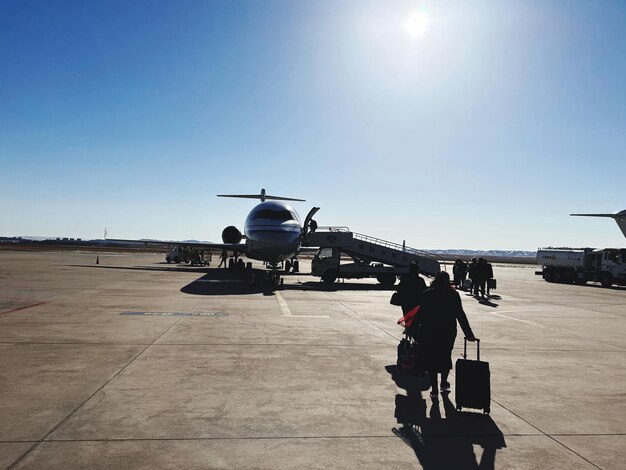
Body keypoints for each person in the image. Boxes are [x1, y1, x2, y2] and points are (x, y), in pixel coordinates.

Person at [408, 271, 476, 397]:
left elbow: (420, 313)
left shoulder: (427, 294)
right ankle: (443, 383)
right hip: (447, 331)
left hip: (429, 331)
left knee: (431, 359)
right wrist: (468, 333)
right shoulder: (453, 295)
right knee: (445, 356)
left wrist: (411, 329)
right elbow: (460, 314)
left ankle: (434, 389)